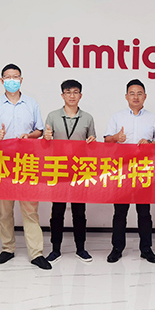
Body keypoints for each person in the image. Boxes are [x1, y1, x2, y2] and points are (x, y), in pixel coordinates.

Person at [0, 64, 51, 269]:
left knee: (30, 210)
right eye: (8, 77)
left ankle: (36, 253)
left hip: (27, 162)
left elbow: (39, 130)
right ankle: (7, 248)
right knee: (5, 210)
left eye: (15, 77)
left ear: (21, 80)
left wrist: (30, 136)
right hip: (2, 163)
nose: (12, 80)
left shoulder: (31, 104)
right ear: (2, 81)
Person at [103, 79, 155, 263]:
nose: (136, 97)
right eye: (132, 93)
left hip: (144, 171)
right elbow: (106, 140)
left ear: (145, 96)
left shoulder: (153, 118)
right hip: (122, 171)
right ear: (126, 96)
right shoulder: (117, 117)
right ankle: (117, 248)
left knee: (144, 212)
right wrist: (116, 137)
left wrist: (150, 143)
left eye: (139, 93)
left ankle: (146, 249)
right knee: (120, 212)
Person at [43, 79, 97, 263]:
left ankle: (81, 248)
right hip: (58, 170)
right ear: (62, 95)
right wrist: (46, 138)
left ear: (80, 95)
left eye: (75, 92)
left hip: (79, 170)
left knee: (79, 212)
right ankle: (55, 249)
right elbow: (45, 145)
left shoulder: (87, 118)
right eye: (68, 92)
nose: (72, 96)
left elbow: (93, 145)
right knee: (57, 211)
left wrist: (92, 141)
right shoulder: (52, 116)